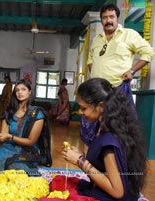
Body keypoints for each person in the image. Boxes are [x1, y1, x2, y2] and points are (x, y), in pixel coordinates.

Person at [81, 3, 154, 148]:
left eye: (111, 17)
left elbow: (149, 52)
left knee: (118, 130)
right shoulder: (97, 39)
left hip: (117, 90)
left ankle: (115, 164)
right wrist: (96, 73)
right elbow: (90, 58)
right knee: (90, 129)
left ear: (117, 18)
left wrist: (132, 71)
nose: (108, 20)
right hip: (96, 92)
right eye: (105, 17)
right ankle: (90, 161)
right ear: (101, 20)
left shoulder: (129, 35)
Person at [62, 78, 147, 201]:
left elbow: (118, 192)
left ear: (101, 106)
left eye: (83, 108)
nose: (80, 112)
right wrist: (81, 156)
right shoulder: (106, 126)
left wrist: (80, 161)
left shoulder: (109, 140)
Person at [0, 79, 52, 175]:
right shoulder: (9, 112)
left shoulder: (36, 114)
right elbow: (2, 138)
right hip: (7, 147)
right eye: (17, 90)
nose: (20, 92)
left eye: (23, 89)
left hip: (26, 151)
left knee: (15, 168)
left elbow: (31, 141)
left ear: (29, 92)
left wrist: (10, 137)